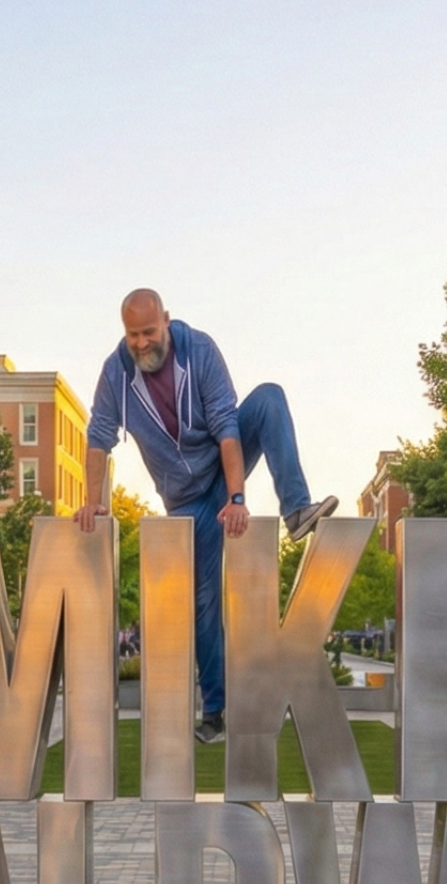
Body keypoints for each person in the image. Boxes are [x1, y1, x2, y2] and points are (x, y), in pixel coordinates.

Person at [76, 289, 338, 743]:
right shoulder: (116, 371)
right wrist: (92, 500)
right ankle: (215, 712)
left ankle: (296, 509)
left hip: (221, 472)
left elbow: (227, 425)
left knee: (269, 398)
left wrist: (235, 498)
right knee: (204, 602)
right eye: (133, 335)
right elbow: (99, 434)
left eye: (149, 332)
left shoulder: (199, 350)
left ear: (166, 322)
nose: (141, 343)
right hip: (185, 503)